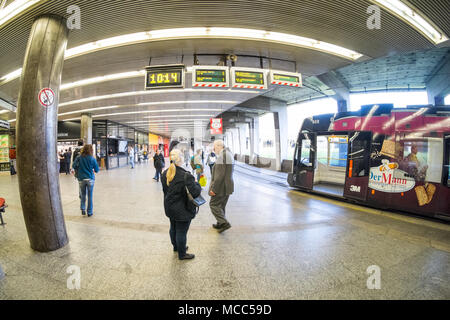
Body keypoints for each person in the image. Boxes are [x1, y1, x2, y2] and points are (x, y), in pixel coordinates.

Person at [161, 149, 201, 260]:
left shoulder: (165, 173)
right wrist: (197, 184)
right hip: (182, 209)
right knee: (181, 231)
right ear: (181, 159)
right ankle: (182, 254)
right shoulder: (185, 176)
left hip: (170, 208)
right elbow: (195, 192)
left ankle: (176, 247)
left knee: (173, 227)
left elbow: (165, 190)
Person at [209, 140, 234, 233]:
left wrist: (214, 189)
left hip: (221, 187)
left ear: (219, 146)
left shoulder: (222, 156)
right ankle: (220, 223)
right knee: (221, 205)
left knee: (213, 204)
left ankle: (224, 223)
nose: (213, 149)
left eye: (214, 147)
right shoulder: (229, 154)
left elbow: (219, 176)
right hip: (227, 185)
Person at [72, 144, 99, 217]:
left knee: (83, 195)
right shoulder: (92, 158)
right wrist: (92, 169)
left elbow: (73, 165)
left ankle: (83, 209)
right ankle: (89, 212)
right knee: (90, 196)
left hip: (81, 179)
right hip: (90, 179)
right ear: (91, 150)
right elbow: (97, 170)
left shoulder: (79, 157)